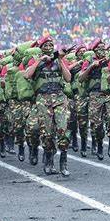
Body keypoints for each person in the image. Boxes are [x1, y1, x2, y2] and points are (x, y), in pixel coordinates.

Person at [24, 36, 72, 176]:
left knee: (63, 128)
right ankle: (49, 160)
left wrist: (60, 60)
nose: (49, 47)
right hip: (43, 99)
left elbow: (68, 78)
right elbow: (27, 75)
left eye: (51, 45)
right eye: (46, 45)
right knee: (47, 132)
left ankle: (63, 161)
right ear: (41, 47)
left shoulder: (59, 59)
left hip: (59, 97)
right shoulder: (35, 59)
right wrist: (40, 61)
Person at [78, 38, 110, 160]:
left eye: (103, 47)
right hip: (95, 95)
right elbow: (81, 78)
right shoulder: (89, 60)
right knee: (97, 123)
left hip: (108, 94)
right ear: (94, 50)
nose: (102, 50)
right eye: (99, 48)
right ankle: (99, 145)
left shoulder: (109, 59)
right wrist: (91, 66)